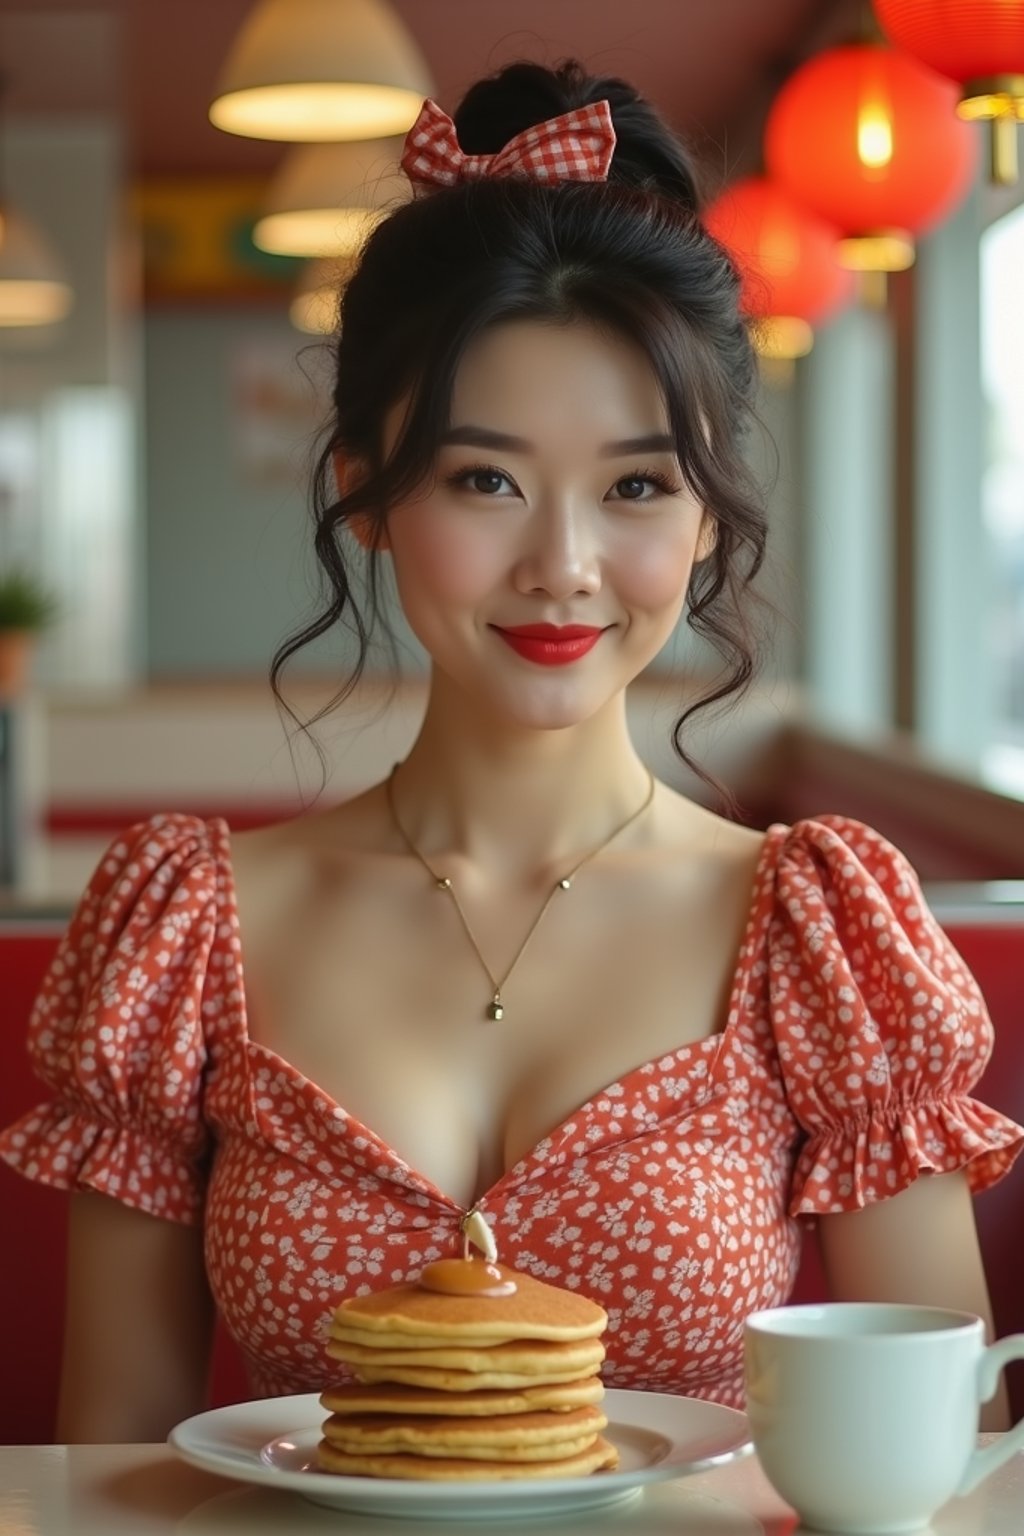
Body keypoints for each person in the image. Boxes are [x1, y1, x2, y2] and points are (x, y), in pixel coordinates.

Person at [2, 60, 1021, 1445]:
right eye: (485, 479)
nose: (564, 565)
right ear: (368, 488)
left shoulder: (816, 928)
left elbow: (933, 1458)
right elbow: (108, 1463)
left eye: (638, 485)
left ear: (710, 514)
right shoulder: (188, 925)